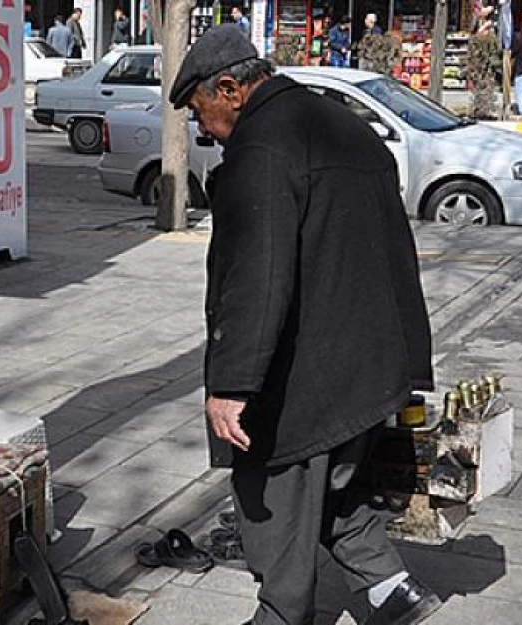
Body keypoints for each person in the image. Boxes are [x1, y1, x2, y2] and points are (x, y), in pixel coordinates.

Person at [168, 23, 440, 625]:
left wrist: (233, 385)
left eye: (200, 109)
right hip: (376, 355)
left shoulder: (262, 149)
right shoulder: (335, 120)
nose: (203, 127)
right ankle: (391, 590)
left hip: (312, 366)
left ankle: (283, 614)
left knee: (275, 495)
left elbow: (256, 278)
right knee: (337, 485)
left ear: (232, 88)